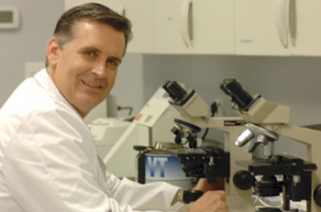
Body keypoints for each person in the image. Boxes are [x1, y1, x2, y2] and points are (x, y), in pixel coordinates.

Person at [0, 3, 228, 212]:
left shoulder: (56, 109)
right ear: (54, 52)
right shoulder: (40, 119)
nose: (100, 71)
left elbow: (110, 189)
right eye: (90, 53)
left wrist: (187, 196)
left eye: (112, 62)